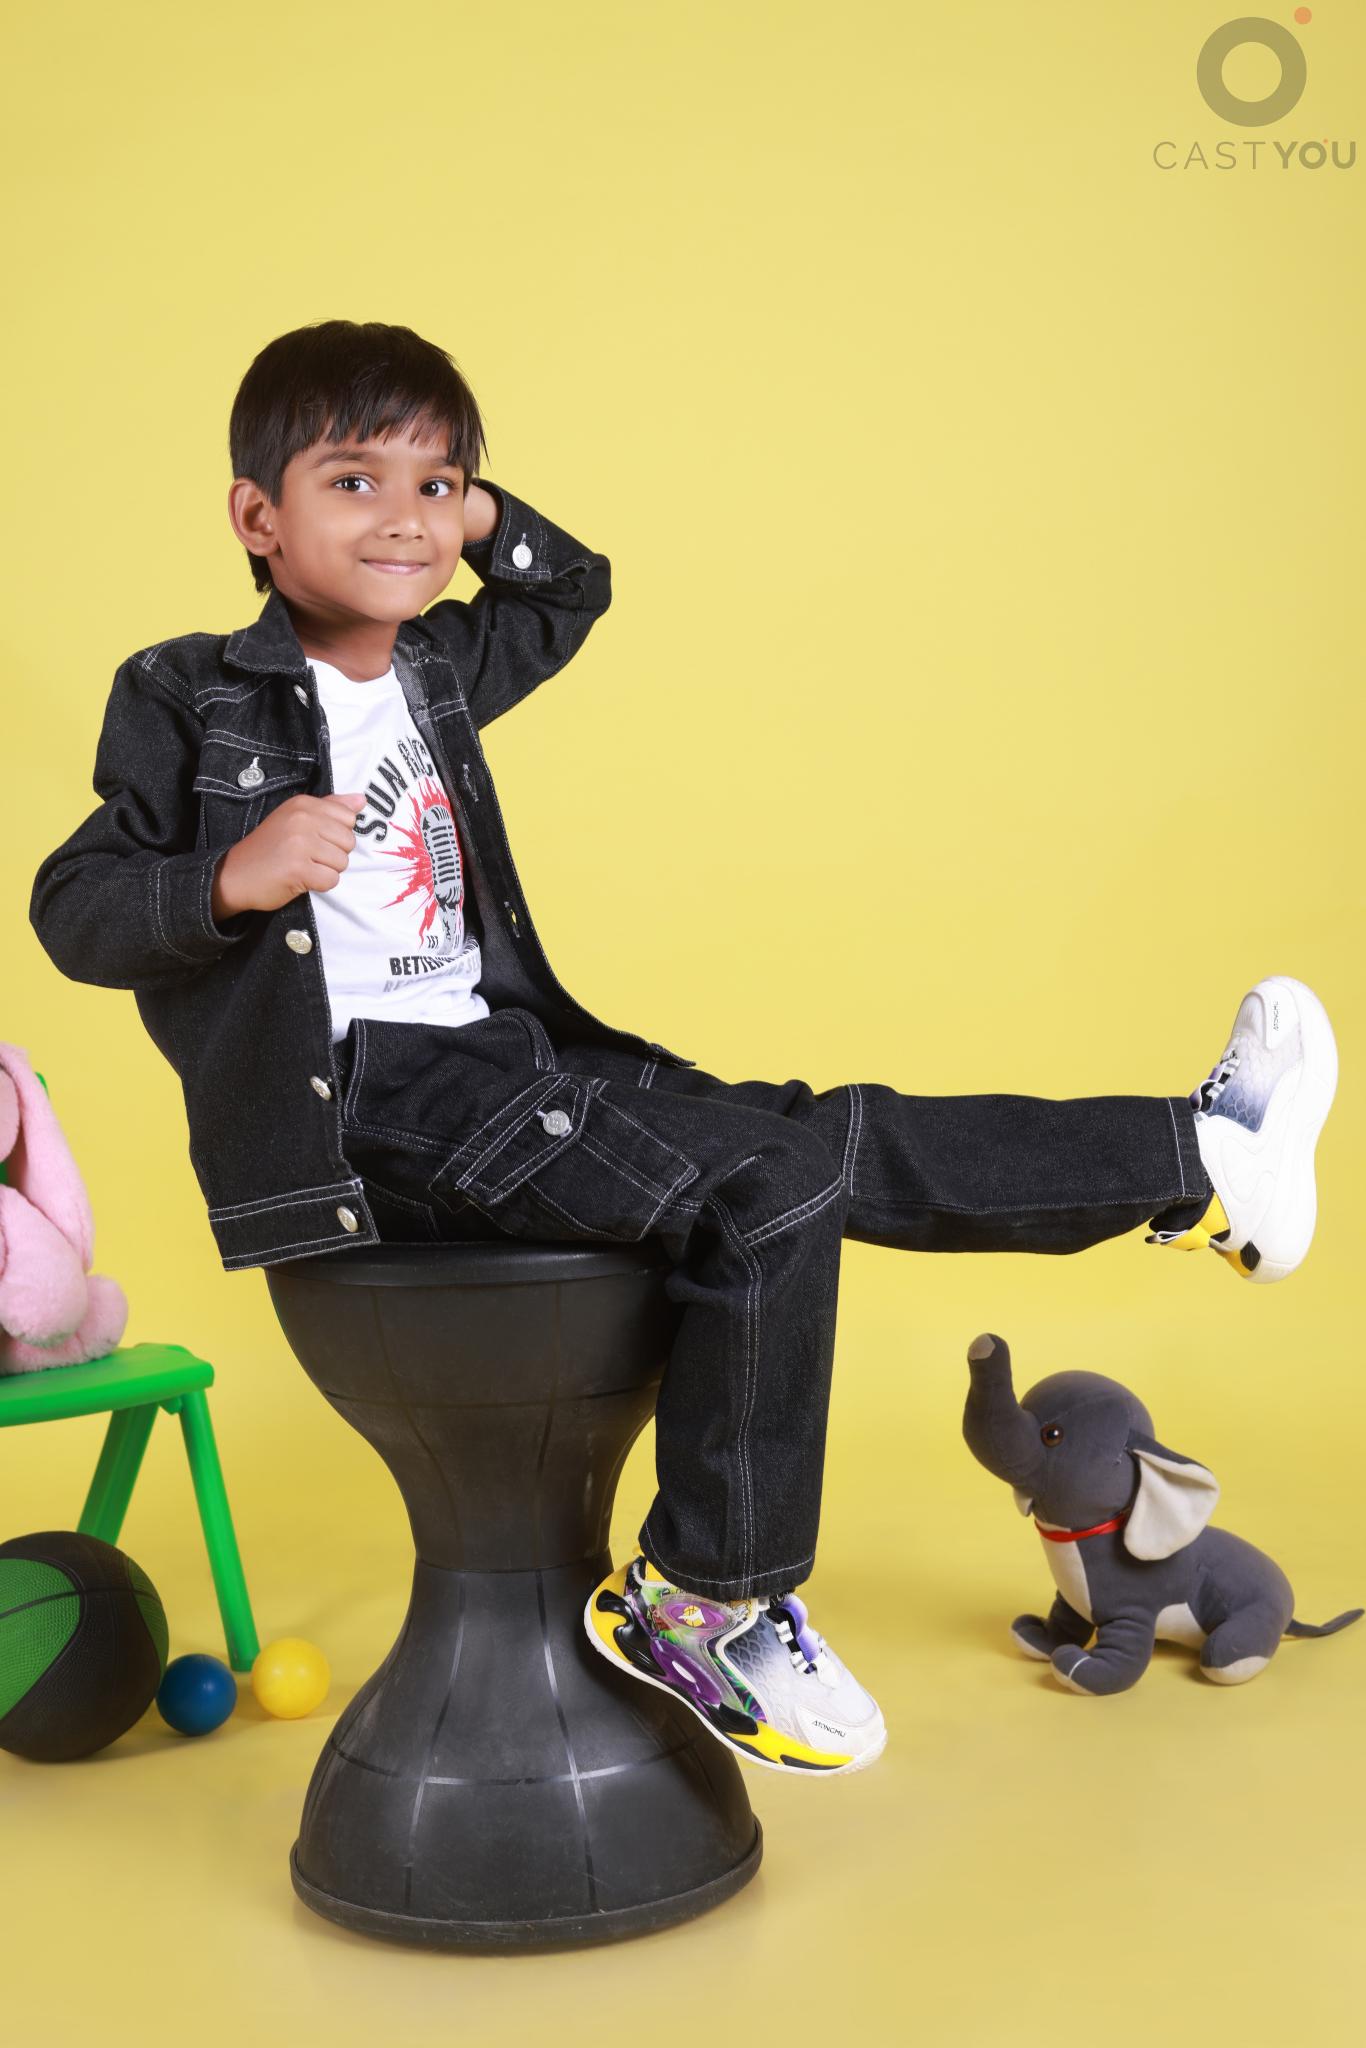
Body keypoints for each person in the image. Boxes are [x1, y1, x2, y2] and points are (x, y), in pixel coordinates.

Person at [29, 320, 1339, 1781]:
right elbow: (75, 907)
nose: (404, 519)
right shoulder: (188, 690)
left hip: (502, 1054)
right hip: (367, 1098)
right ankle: (705, 1600)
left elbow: (569, 587)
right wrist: (230, 875)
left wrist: (468, 515)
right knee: (767, 1192)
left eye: (436, 484)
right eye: (353, 481)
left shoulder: (436, 667)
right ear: (255, 517)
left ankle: (1197, 1163)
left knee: (813, 1133)